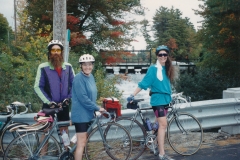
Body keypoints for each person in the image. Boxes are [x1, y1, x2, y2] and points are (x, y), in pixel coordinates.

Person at [127, 45, 175, 160]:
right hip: (157, 101)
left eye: (165, 54)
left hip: (166, 100)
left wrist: (171, 95)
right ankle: (162, 154)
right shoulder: (153, 69)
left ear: (167, 56)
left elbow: (166, 85)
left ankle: (152, 140)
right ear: (157, 56)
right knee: (163, 125)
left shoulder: (167, 68)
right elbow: (143, 83)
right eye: (160, 55)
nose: (163, 56)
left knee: (158, 125)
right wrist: (133, 94)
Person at [34, 39, 75, 134]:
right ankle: (43, 149)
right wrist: (48, 101)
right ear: (49, 52)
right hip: (49, 105)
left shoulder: (68, 67)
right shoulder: (43, 67)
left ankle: (66, 149)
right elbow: (38, 87)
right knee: (45, 131)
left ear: (61, 52)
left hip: (64, 105)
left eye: (58, 50)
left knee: (64, 131)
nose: (56, 52)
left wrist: (68, 98)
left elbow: (75, 85)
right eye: (53, 50)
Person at [71, 54, 105, 160]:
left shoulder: (91, 77)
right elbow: (83, 99)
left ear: (93, 65)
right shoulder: (78, 78)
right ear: (81, 66)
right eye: (84, 65)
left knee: (83, 142)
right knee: (81, 143)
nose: (87, 67)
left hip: (88, 114)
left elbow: (92, 95)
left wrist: (96, 106)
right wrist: (97, 108)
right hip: (80, 115)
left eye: (89, 64)